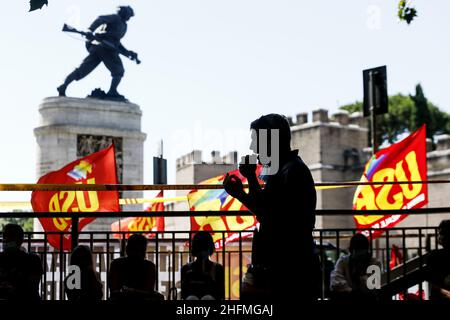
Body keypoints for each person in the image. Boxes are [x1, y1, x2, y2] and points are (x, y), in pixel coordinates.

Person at [223, 113, 319, 301]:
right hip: (284, 266)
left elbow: (269, 214)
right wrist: (250, 177)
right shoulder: (285, 169)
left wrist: (240, 193)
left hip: (290, 269)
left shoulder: (291, 172)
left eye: (256, 141)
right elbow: (264, 206)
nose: (252, 147)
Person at [57, 6, 138, 99]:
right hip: (103, 47)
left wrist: (127, 52)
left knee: (83, 68)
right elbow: (100, 19)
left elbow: (116, 42)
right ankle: (112, 92)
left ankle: (63, 85)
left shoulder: (124, 25)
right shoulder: (115, 18)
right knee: (118, 71)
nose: (129, 17)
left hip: (106, 48)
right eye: (128, 15)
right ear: (123, 12)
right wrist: (90, 30)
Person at [109, 234, 162, 301]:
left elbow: (114, 291)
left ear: (127, 249)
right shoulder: (149, 266)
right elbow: (149, 291)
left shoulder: (116, 264)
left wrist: (129, 291)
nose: (139, 253)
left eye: (141, 250)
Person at [329, 233, 381, 301]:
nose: (360, 259)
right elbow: (335, 281)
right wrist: (351, 291)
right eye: (358, 254)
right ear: (351, 251)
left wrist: (362, 274)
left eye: (362, 254)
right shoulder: (343, 261)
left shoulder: (374, 263)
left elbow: (372, 289)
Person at [0, 224, 43, 300]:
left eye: (11, 236)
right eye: (4, 236)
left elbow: (32, 288)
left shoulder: (32, 260)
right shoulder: (33, 259)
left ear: (20, 240)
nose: (6, 239)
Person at [181, 231, 225, 300]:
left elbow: (220, 294)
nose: (202, 253)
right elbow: (184, 294)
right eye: (200, 249)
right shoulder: (218, 268)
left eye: (204, 249)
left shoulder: (186, 268)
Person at [427, 220, 450, 300]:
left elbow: (432, 282)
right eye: (439, 234)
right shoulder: (434, 255)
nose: (439, 236)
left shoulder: (434, 255)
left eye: (442, 233)